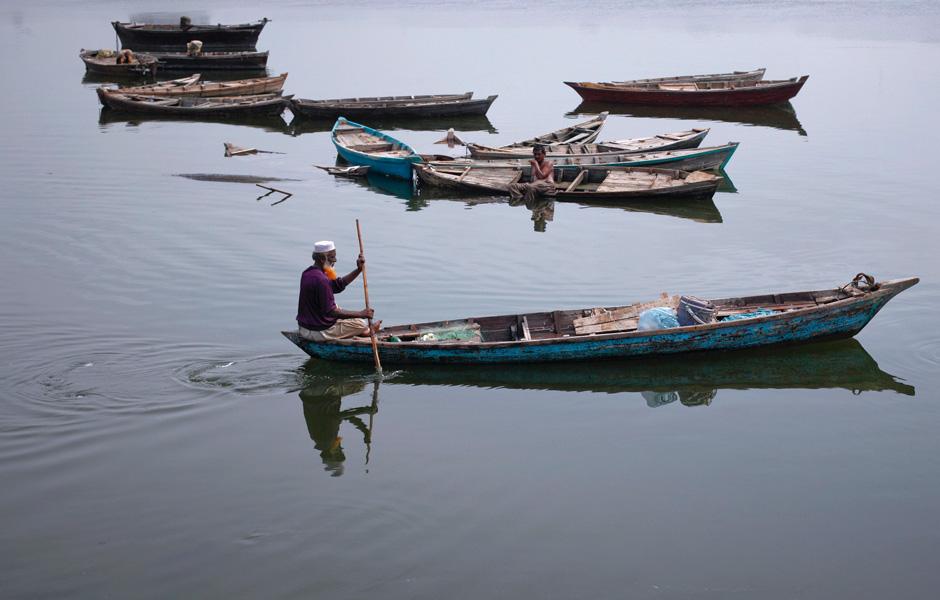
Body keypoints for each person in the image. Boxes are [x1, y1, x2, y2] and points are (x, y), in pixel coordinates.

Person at [296, 240, 380, 341]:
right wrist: (361, 314)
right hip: (317, 332)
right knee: (360, 324)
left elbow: (337, 286)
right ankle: (365, 332)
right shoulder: (321, 280)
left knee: (351, 317)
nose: (335, 260)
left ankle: (362, 331)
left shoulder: (307, 273)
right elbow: (331, 312)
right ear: (322, 259)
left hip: (305, 328)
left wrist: (358, 270)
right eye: (332, 257)